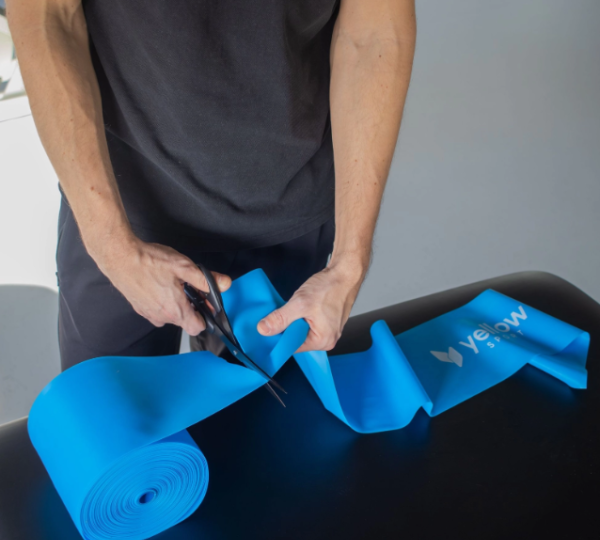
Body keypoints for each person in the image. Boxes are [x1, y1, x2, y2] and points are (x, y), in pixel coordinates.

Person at [7, 0, 416, 371]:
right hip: (121, 208)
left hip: (287, 211)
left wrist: (349, 262)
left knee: (261, 422)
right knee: (107, 422)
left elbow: (373, 31)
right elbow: (46, 16)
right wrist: (110, 246)